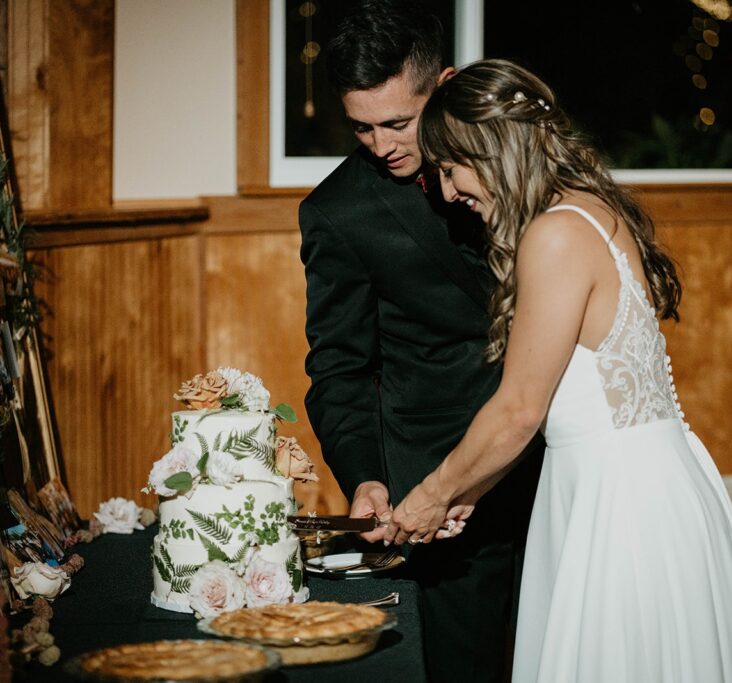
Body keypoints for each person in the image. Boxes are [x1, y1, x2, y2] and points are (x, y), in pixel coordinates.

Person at [384, 59, 732, 682]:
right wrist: (471, 490)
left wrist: (432, 495)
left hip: (619, 506)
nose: (450, 190)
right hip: (642, 483)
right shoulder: (591, 209)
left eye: (451, 169)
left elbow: (519, 410)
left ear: (490, 150)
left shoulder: (556, 233)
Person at [299, 3, 543, 681]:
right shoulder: (337, 211)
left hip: (557, 463)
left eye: (397, 123)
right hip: (441, 490)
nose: (380, 146)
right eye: (362, 128)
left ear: (444, 83)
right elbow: (341, 367)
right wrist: (367, 473)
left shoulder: (523, 166)